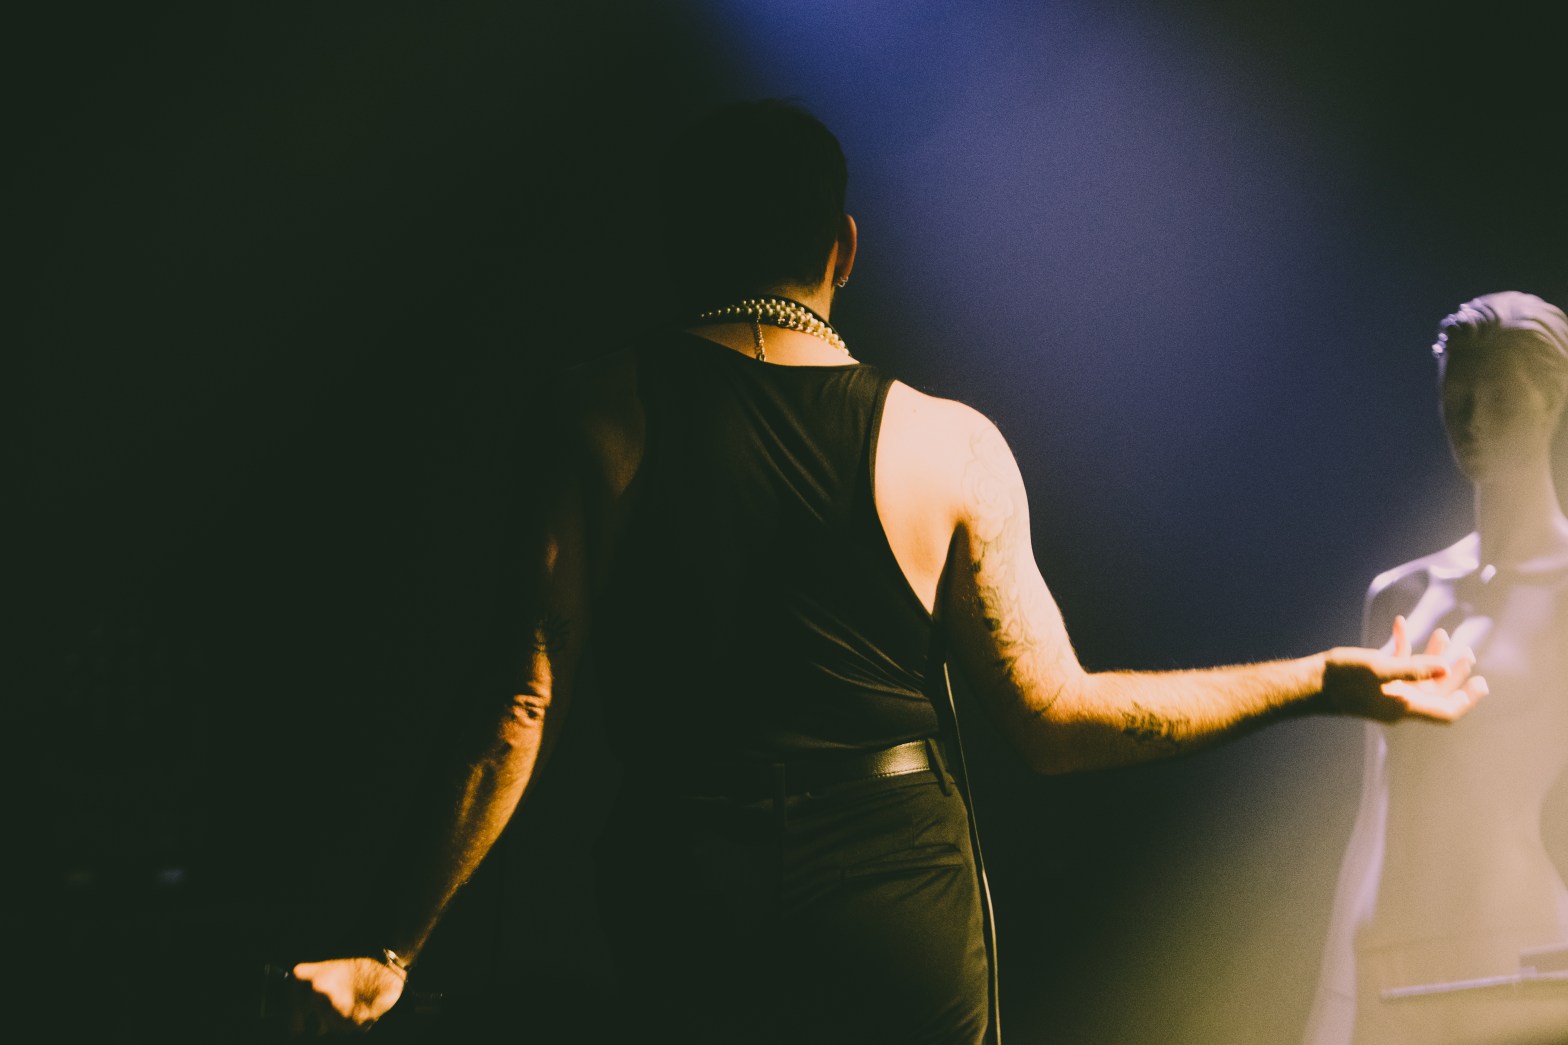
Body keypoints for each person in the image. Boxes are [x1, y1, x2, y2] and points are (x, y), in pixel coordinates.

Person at [287, 100, 1485, 1044]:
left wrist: (388, 949)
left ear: (679, 240)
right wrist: (1320, 680)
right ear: (843, 247)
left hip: (691, 894)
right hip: (893, 901)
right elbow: (1061, 719)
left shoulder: (598, 415)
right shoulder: (947, 445)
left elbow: (518, 702)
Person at [1303, 291, 1568, 1045]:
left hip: (1514, 950)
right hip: (1386, 949)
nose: (1473, 420)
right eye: (1458, 397)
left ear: (1552, 401)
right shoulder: (1402, 594)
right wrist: (1334, 997)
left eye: (1500, 397)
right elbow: (1375, 804)